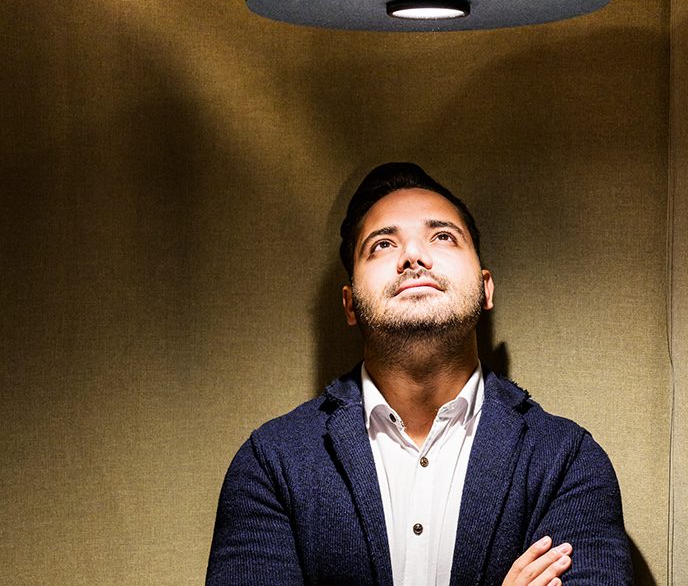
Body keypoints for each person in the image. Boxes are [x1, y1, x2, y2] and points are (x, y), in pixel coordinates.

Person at [206, 163, 633, 585]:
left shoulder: (566, 461)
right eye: (382, 245)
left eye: (442, 236)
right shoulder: (272, 463)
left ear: (485, 288)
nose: (413, 255)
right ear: (350, 304)